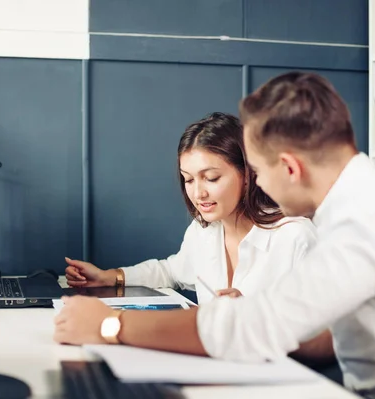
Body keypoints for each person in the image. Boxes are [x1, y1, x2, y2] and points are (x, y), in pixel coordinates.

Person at [54, 72, 375, 399]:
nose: (259, 185)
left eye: (258, 171)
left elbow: (258, 327)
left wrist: (111, 324)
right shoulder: (373, 194)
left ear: (290, 167)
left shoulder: (370, 215)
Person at [64, 112, 317, 305]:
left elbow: (325, 336)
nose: (198, 193)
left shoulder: (295, 237)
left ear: (248, 174)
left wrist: (255, 314)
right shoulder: (203, 229)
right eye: (189, 179)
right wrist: (108, 277)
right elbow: (171, 271)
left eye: (211, 178)